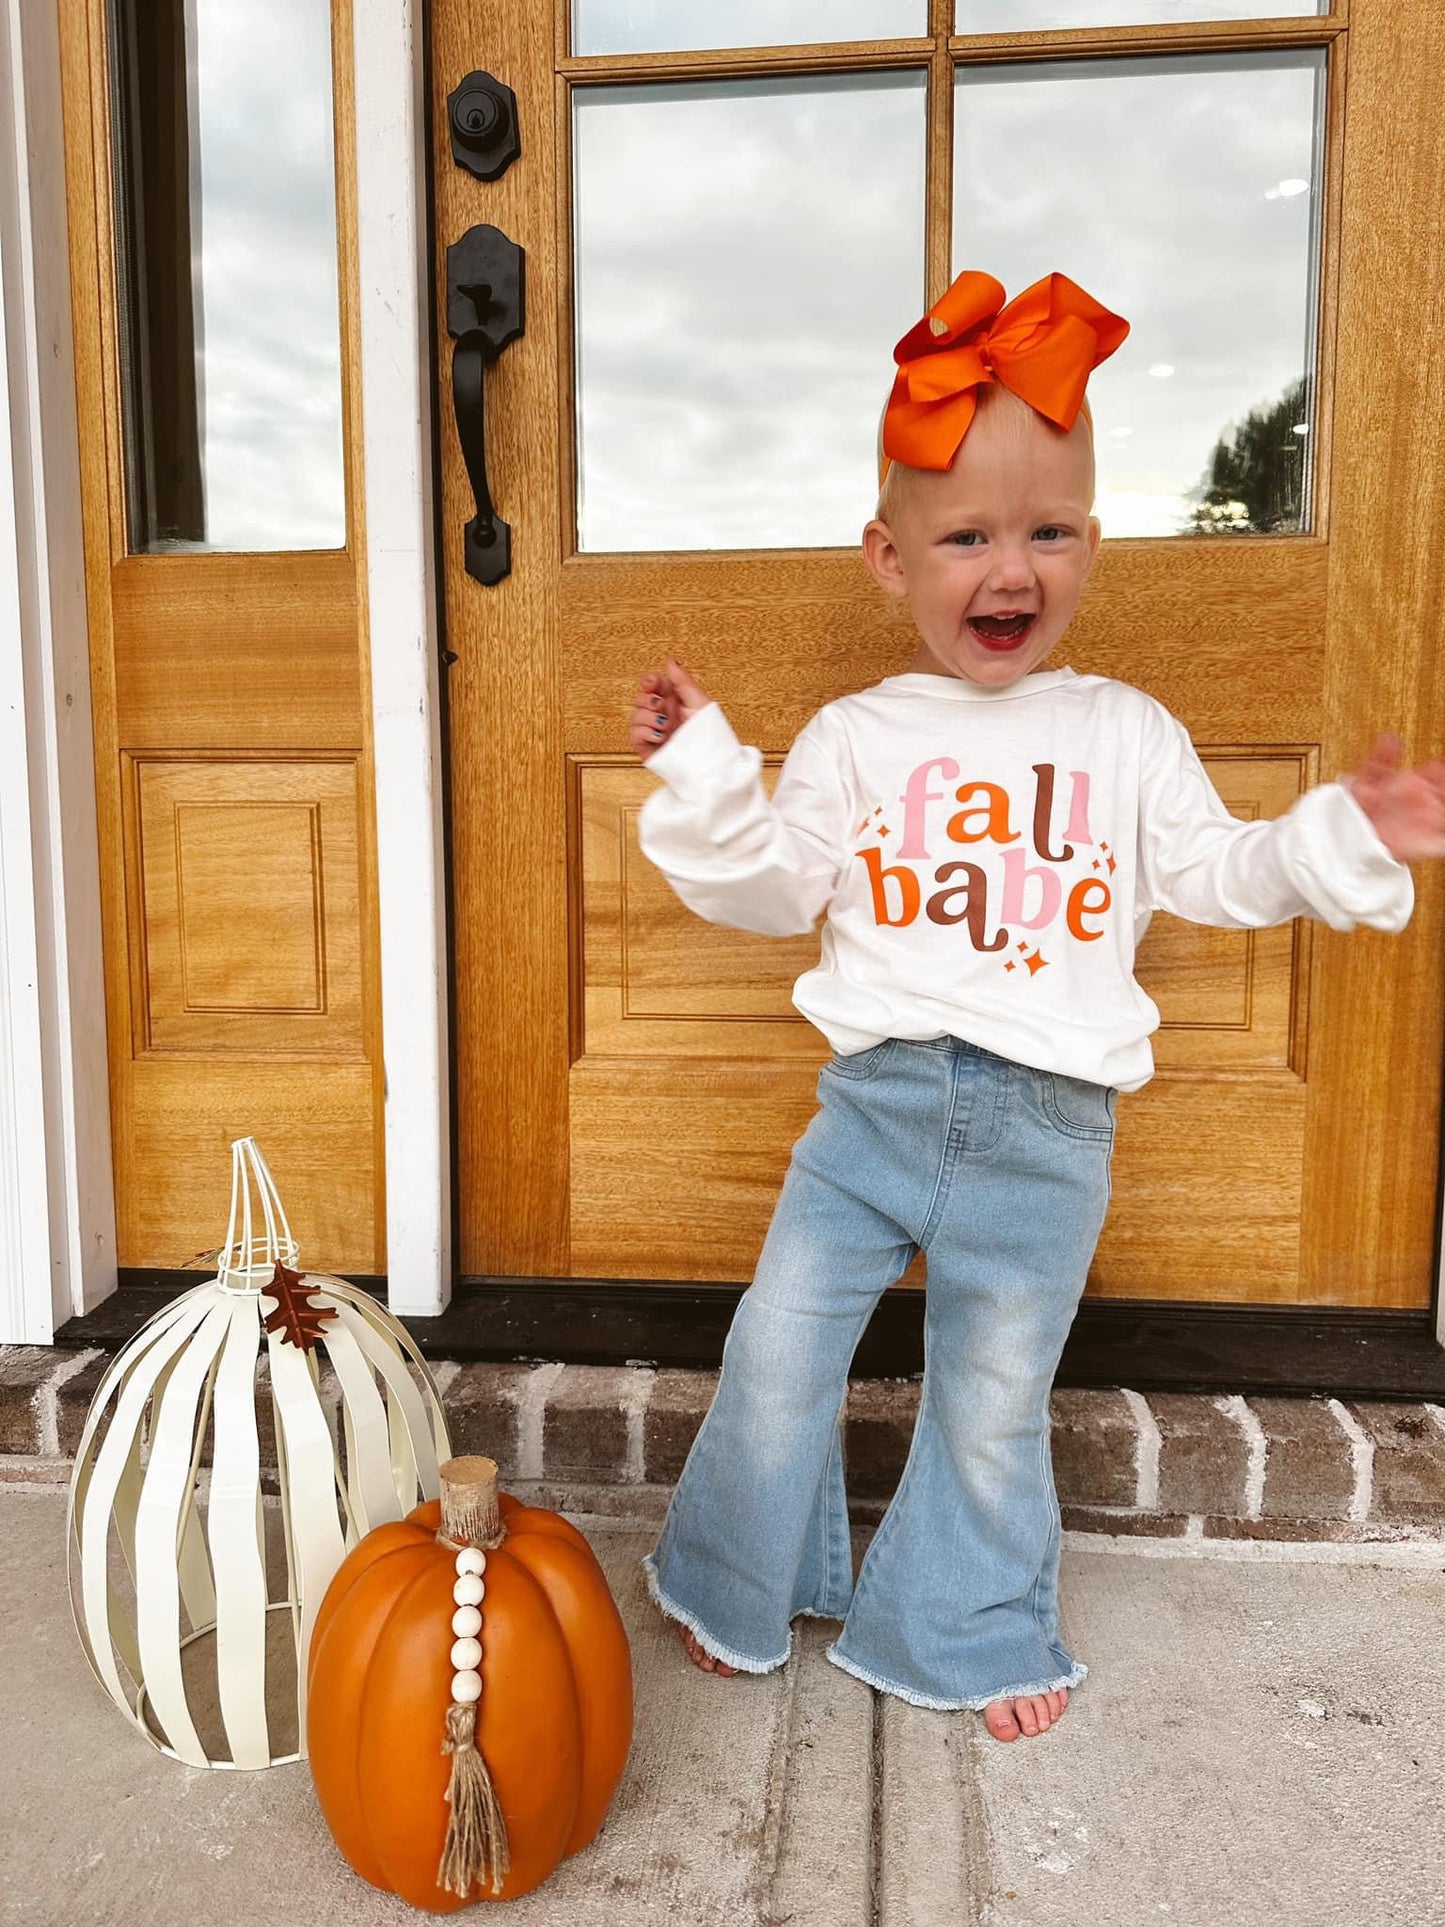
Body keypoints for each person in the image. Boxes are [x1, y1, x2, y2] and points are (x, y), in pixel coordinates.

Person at [624, 269, 1445, 1743]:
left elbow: (1219, 870)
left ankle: (962, 1625)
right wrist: (702, 774)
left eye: (1047, 532)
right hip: (871, 1109)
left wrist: (1341, 833)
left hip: (1046, 1134)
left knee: (991, 1399)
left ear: (1092, 543)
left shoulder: (1122, 731)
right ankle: (738, 1583)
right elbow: (767, 884)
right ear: (888, 556)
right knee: (774, 1348)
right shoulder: (853, 735)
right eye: (967, 538)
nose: (1011, 568)